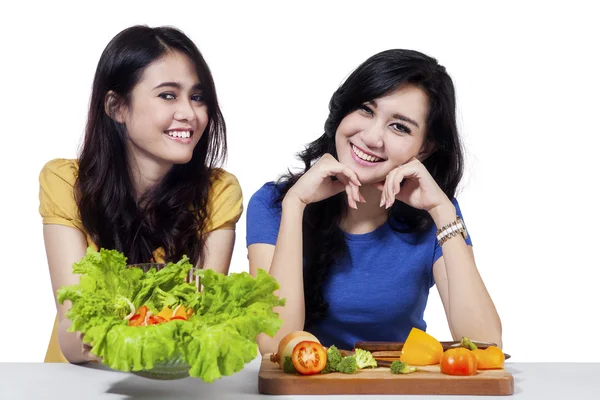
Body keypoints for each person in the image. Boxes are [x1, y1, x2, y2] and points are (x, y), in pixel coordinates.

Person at [246, 49, 502, 354]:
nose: (372, 137)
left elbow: (486, 347)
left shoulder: (435, 218)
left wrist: (442, 210)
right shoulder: (274, 204)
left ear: (423, 150)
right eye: (366, 110)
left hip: (398, 385)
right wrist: (295, 204)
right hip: (307, 387)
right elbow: (274, 347)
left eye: (400, 127)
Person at [39, 25, 243, 363]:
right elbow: (75, 339)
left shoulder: (218, 192)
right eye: (167, 95)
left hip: (170, 388)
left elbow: (199, 328)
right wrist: (164, 329)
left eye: (197, 97)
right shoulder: (65, 182)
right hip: (76, 387)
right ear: (117, 107)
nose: (189, 114)